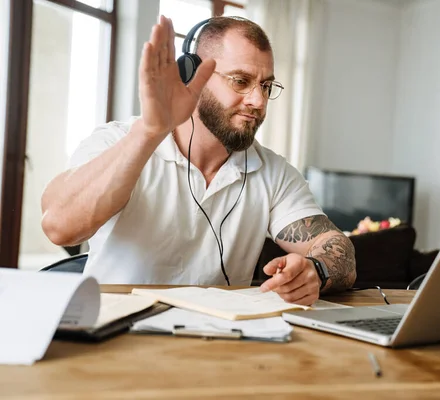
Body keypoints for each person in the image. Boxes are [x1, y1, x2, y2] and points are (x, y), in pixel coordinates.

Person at [40, 15, 356, 306]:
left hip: (215, 345)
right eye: (240, 81)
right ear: (192, 75)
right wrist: (149, 133)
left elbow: (339, 249)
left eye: (266, 85)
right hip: (114, 338)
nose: (258, 101)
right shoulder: (117, 141)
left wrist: (316, 270)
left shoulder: (273, 172)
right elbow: (59, 228)